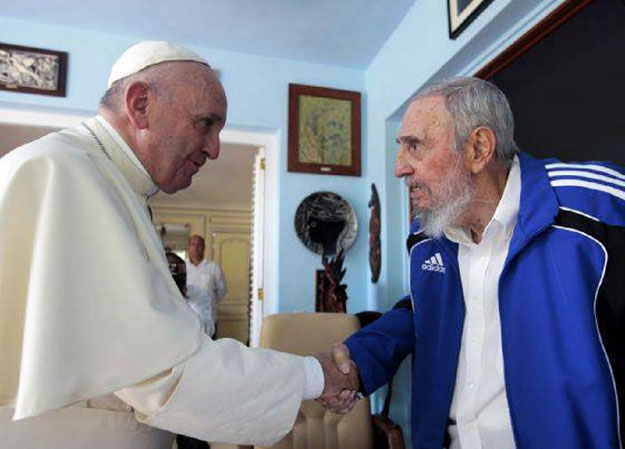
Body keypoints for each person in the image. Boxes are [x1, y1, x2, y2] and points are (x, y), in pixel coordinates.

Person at [0, 40, 355, 449]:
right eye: (205, 123)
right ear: (140, 104)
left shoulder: (107, 181)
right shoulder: (64, 175)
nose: (215, 149)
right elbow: (163, 374)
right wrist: (317, 375)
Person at [322, 77, 625, 449]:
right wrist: (363, 357)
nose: (400, 168)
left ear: (478, 148)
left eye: (414, 147)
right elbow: (428, 311)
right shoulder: (426, 234)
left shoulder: (600, 209)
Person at [186, 235, 226, 338]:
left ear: (203, 247)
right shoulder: (183, 267)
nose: (196, 248)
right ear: (188, 247)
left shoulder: (213, 267)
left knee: (210, 350)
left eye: (199, 245)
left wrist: (210, 302)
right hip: (187, 319)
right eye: (193, 244)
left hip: (209, 319)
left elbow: (222, 290)